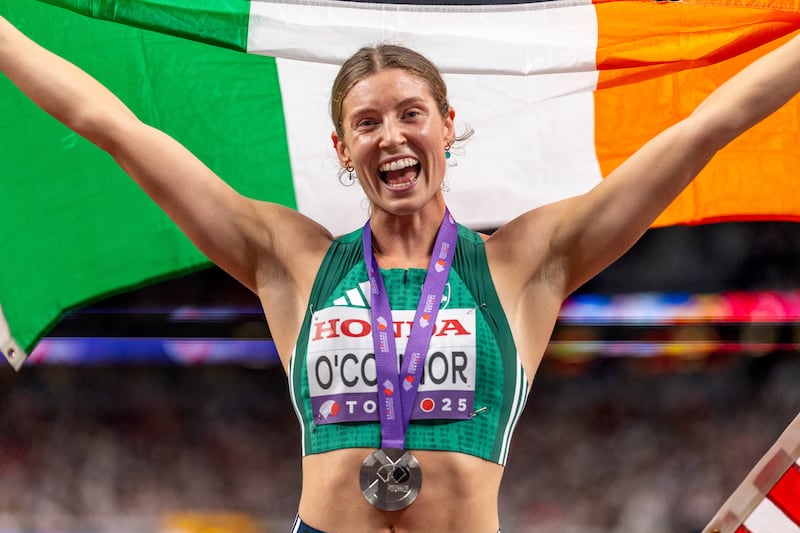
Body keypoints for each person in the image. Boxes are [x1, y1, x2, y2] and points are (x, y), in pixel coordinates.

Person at [2, 12, 800, 533]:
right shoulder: (291, 260)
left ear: (449, 128)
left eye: (411, 113)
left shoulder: (527, 262)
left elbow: (709, 127)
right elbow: (109, 124)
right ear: (342, 149)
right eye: (367, 121)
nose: (391, 136)